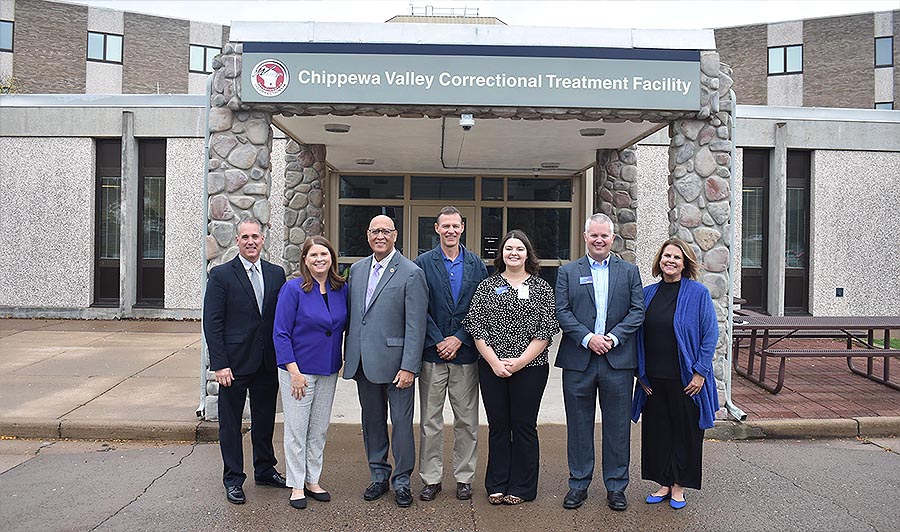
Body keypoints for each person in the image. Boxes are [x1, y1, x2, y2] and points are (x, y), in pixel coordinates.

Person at [554, 213, 644, 511]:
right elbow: (562, 311)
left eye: (604, 235)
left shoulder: (630, 272)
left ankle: (616, 487)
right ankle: (578, 484)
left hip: (617, 360)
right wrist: (588, 338)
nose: (599, 240)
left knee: (617, 427)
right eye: (594, 235)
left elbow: (636, 312)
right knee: (579, 426)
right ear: (585, 237)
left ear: (613, 238)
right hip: (579, 360)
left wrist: (613, 338)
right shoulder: (568, 272)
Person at [463, 229, 559, 505]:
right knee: (498, 425)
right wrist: (494, 361)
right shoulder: (487, 286)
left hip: (530, 368)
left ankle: (523, 486)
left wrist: (518, 363)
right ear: (501, 254)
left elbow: (546, 331)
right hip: (492, 368)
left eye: (519, 249)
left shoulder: (541, 288)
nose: (513, 253)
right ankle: (497, 483)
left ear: (528, 254)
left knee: (524, 425)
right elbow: (476, 326)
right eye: (509, 249)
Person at [343, 214, 428, 508]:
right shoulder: (356, 269)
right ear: (368, 235)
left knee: (402, 425)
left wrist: (409, 366)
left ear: (395, 235)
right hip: (364, 362)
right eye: (375, 231)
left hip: (397, 365)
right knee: (372, 422)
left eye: (386, 231)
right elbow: (356, 317)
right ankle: (378, 475)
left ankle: (402, 481)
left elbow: (416, 325)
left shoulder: (411, 272)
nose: (380, 235)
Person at [203, 217, 288, 505]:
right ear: (237, 241)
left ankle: (264, 470)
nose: (251, 241)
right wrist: (220, 364)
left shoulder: (277, 274)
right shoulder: (222, 275)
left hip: (267, 362)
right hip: (234, 365)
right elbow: (212, 323)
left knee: (264, 421)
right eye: (245, 237)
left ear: (263, 240)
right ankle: (233, 479)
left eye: (255, 236)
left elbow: (280, 319)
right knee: (230, 424)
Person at [631, 238, 719, 510]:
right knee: (658, 433)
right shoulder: (647, 294)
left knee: (684, 433)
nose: (670, 261)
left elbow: (710, 333)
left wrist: (700, 373)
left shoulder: (697, 293)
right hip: (654, 380)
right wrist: (640, 374)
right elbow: (637, 335)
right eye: (666, 256)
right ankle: (663, 483)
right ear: (659, 261)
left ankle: (679, 486)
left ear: (685, 263)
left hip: (686, 379)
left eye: (676, 258)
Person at [413, 206, 488, 502]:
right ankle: (431, 479)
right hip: (433, 355)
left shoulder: (476, 264)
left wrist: (458, 338)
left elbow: (480, 307)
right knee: (430, 421)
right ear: (436, 228)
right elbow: (419, 307)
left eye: (455, 226)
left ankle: (464, 477)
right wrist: (439, 340)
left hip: (466, 354)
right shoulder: (422, 263)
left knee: (467, 421)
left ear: (462, 228)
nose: (450, 231)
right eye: (445, 226)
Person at [273, 236, 348, 510]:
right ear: (305, 259)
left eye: (324, 254)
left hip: (328, 369)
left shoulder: (341, 289)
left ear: (332, 259)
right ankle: (295, 483)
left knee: (318, 429)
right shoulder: (293, 290)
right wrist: (293, 371)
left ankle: (313, 480)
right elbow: (280, 333)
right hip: (299, 371)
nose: (320, 259)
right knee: (296, 429)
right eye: (314, 255)